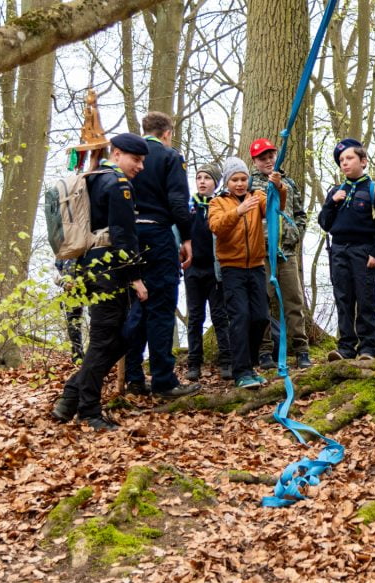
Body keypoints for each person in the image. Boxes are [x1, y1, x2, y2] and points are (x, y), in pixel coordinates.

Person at [51, 133, 151, 431]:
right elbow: (124, 234)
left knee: (111, 340)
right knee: (107, 340)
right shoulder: (118, 184)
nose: (140, 167)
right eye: (136, 160)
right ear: (117, 154)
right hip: (109, 269)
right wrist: (135, 277)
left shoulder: (90, 179)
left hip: (87, 268)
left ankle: (70, 397)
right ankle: (89, 410)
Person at [122, 112, 201, 398]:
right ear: (167, 133)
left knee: (136, 306)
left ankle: (133, 375)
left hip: (129, 238)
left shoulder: (128, 158)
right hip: (157, 235)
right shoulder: (170, 157)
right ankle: (163, 380)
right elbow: (178, 201)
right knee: (161, 307)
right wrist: (188, 237)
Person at [208, 157, 287, 389]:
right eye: (235, 180)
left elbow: (276, 207)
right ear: (227, 181)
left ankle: (249, 365)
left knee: (260, 317)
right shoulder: (218, 203)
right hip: (232, 268)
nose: (240, 184)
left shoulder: (257, 197)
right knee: (239, 317)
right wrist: (238, 212)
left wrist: (279, 187)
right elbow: (216, 227)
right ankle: (240, 370)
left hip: (255, 266)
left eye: (243, 179)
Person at [317, 138, 375, 361]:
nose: (345, 163)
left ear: (363, 161)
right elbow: (324, 223)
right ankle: (345, 348)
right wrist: (332, 202)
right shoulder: (336, 191)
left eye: (349, 158)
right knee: (343, 299)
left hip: (363, 251)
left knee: (365, 299)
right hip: (339, 250)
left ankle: (368, 348)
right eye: (341, 160)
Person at [248, 138, 312, 370]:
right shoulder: (248, 184)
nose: (267, 161)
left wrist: (295, 234)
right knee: (262, 303)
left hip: (286, 253)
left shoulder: (289, 183)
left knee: (293, 301)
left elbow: (299, 214)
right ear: (254, 161)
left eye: (270, 156)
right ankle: (265, 351)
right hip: (260, 254)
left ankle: (301, 350)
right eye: (262, 158)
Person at [185, 162, 233, 381]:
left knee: (220, 316)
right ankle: (194, 363)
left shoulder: (221, 205)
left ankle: (226, 361)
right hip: (193, 269)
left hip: (215, 269)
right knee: (195, 317)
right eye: (199, 177)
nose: (202, 181)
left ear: (215, 182)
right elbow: (178, 232)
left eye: (207, 178)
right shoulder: (188, 206)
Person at [53, 259, 84, 363]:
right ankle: (78, 357)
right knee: (73, 324)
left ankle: (97, 358)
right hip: (70, 291)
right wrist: (64, 283)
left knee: (97, 320)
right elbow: (56, 271)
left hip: (91, 284)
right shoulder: (61, 251)